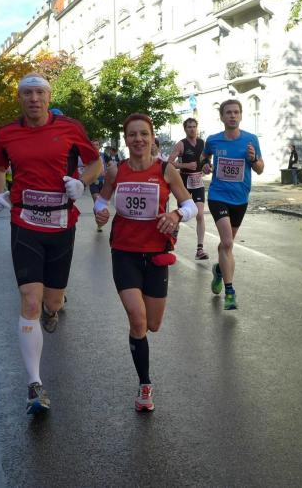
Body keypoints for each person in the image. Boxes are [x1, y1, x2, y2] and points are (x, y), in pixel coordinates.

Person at [0, 73, 102, 415]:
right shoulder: (7, 134)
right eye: (27, 93)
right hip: (25, 221)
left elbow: (96, 163)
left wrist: (82, 183)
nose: (34, 99)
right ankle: (34, 385)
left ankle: (54, 309)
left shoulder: (69, 128)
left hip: (61, 222)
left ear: (48, 97)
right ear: (20, 99)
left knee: (51, 301)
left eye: (39, 93)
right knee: (30, 299)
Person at [94, 113, 197, 412]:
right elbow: (101, 200)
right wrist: (101, 212)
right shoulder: (116, 170)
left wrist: (176, 214)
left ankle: (143, 371)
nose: (138, 139)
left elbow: (190, 205)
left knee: (153, 324)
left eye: (143, 134)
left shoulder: (165, 170)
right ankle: (144, 385)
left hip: (156, 255)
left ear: (152, 138)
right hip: (123, 252)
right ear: (126, 139)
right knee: (137, 320)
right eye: (132, 134)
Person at [202, 99, 264, 310]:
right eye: (228, 112)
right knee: (227, 242)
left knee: (226, 245)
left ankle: (220, 270)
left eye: (236, 112)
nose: (232, 116)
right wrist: (205, 165)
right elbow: (204, 157)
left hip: (240, 199)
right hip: (218, 196)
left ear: (241, 115)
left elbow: (260, 169)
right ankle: (230, 292)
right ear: (222, 117)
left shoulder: (251, 139)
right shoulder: (213, 140)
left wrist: (253, 159)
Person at [168, 118, 210, 260]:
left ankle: (200, 249)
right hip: (184, 181)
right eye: (189, 127)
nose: (192, 129)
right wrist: (185, 165)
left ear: (197, 128)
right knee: (180, 214)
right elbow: (169, 162)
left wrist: (207, 166)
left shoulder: (202, 143)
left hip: (197, 181)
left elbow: (206, 160)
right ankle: (170, 241)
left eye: (194, 126)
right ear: (185, 129)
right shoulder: (181, 144)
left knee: (200, 214)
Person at [88, 139, 107, 232]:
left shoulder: (104, 155)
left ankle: (99, 222)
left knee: (101, 205)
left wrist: (107, 172)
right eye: (93, 145)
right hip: (93, 183)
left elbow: (112, 164)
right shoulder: (89, 156)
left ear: (99, 146)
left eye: (97, 144)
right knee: (97, 202)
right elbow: (86, 168)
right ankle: (99, 223)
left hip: (103, 183)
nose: (95, 146)